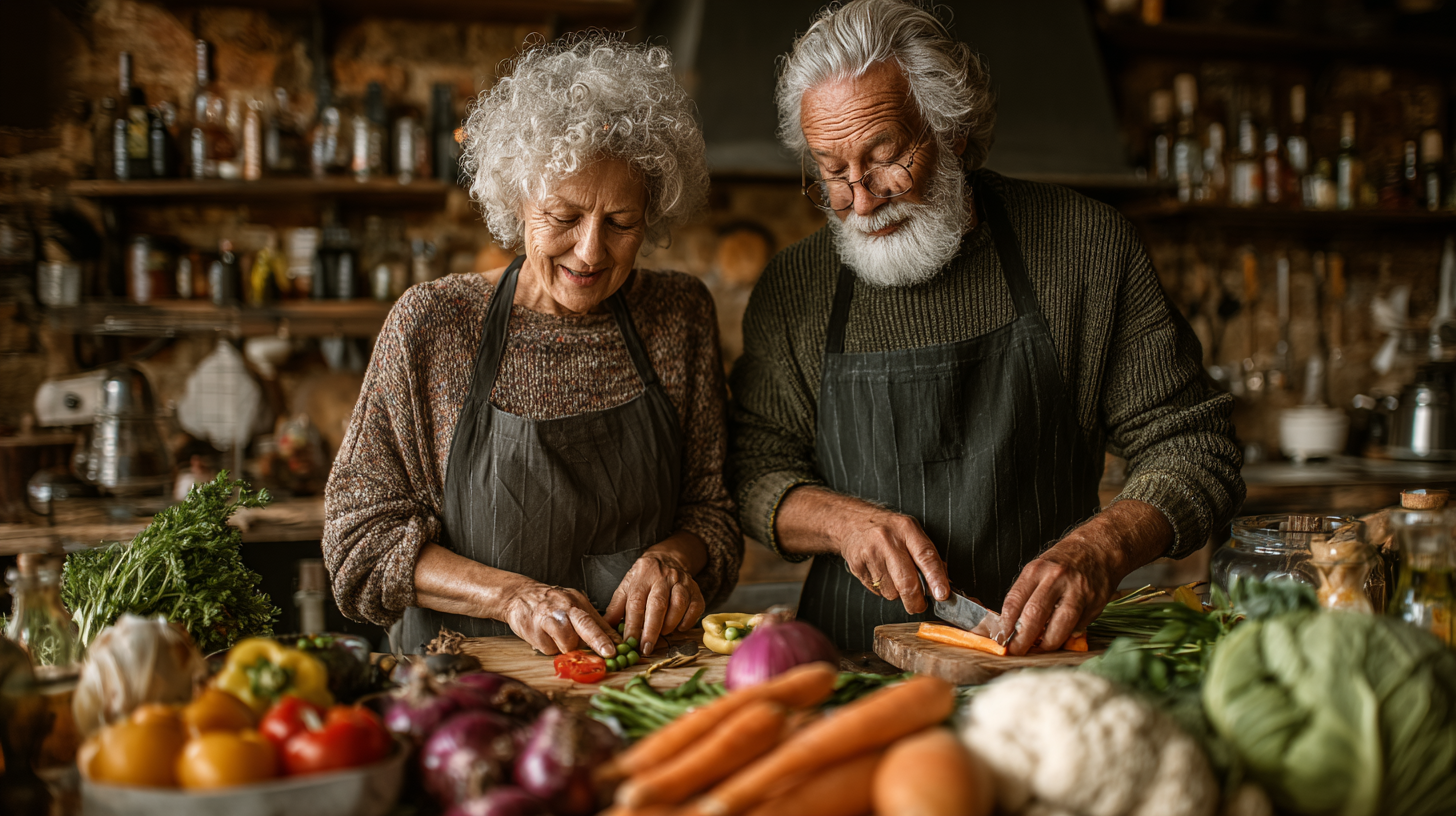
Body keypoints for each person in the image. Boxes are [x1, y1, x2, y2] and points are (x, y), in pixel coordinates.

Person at [727, 0, 1244, 654]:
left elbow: (1195, 446)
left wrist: (1100, 549)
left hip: (1041, 666)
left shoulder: (1085, 249)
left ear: (953, 133)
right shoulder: (794, 287)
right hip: (851, 670)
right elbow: (752, 470)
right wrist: (840, 523)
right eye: (833, 172)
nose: (861, 200)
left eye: (886, 157)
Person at [324, 35, 741, 659]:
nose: (591, 252)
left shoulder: (679, 314)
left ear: (652, 214)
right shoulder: (434, 324)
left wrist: (673, 560)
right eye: (564, 217)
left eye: (621, 223)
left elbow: (713, 510)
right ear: (517, 201)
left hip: (635, 683)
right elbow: (360, 545)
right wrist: (511, 595)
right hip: (459, 691)